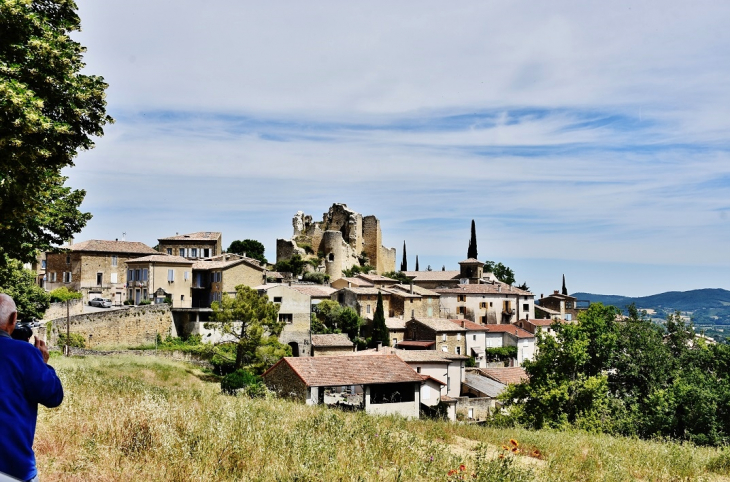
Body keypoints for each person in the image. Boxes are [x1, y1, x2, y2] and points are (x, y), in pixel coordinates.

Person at [0, 294, 63, 482]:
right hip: (11, 467)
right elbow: (53, 396)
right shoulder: (24, 353)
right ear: (13, 318)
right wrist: (42, 363)